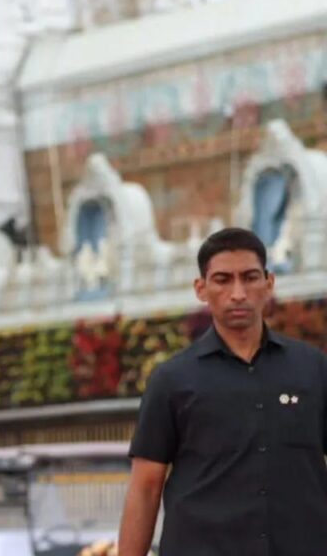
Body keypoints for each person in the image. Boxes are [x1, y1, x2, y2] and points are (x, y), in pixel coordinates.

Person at [118, 227, 327, 556]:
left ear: (269, 283)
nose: (238, 293)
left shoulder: (313, 369)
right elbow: (145, 486)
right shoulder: (171, 380)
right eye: (223, 280)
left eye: (250, 277)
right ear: (201, 289)